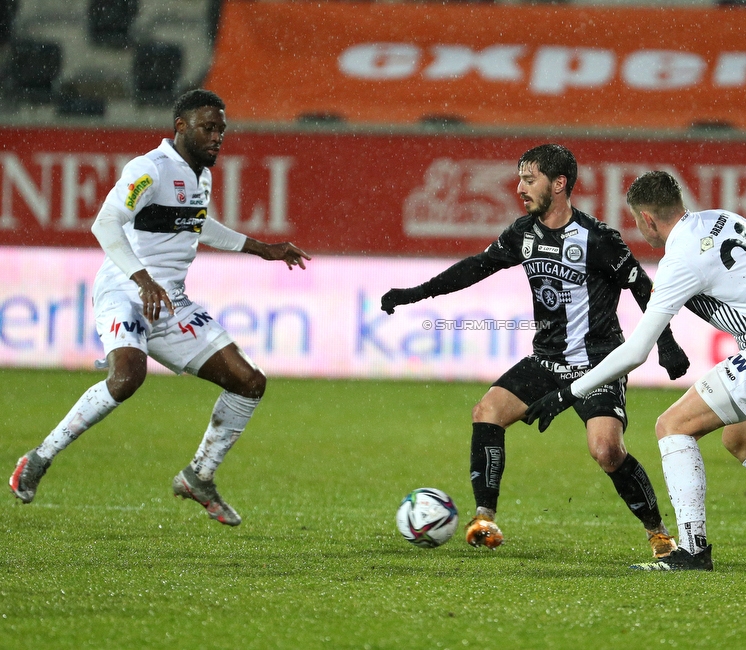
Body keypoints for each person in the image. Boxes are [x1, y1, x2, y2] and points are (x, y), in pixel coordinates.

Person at [526, 170, 746, 572]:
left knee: (672, 426)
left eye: (637, 220)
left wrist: (569, 393)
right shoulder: (723, 218)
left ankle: (691, 550)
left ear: (648, 219)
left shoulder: (680, 259)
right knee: (741, 440)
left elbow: (636, 350)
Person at [8, 89, 311, 526]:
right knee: (129, 375)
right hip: (125, 289)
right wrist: (141, 278)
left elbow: (196, 222)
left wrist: (261, 248)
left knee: (249, 382)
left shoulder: (200, 175)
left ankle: (198, 477)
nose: (218, 137)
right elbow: (105, 223)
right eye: (209, 128)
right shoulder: (148, 169)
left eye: (222, 129)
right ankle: (39, 458)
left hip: (170, 300)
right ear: (181, 126)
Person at [381, 144, 690, 555]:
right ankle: (484, 517)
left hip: (597, 363)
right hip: (546, 360)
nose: (520, 188)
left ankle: (658, 532)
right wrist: (415, 293)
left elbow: (639, 284)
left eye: (530, 180)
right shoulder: (522, 233)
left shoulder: (598, 239)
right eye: (520, 179)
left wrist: (666, 344)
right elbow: (476, 266)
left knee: (607, 451)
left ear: (559, 184)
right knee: (486, 412)